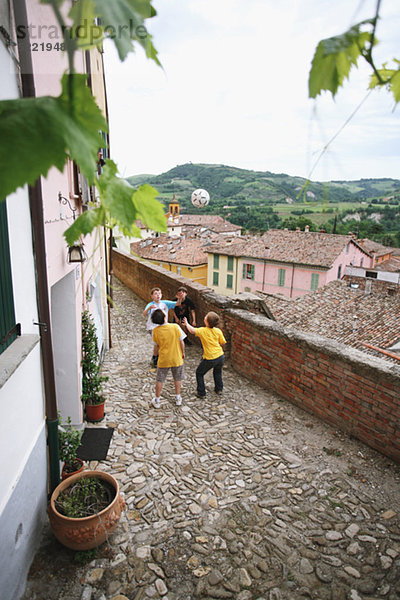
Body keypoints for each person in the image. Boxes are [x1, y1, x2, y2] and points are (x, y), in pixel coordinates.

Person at [183, 311, 226, 398]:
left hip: (210, 357)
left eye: (206, 317)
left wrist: (187, 323)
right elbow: (222, 342)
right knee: (218, 372)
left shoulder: (203, 331)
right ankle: (219, 389)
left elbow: (192, 330)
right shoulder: (218, 331)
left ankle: (201, 392)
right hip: (220, 356)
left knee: (199, 373)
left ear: (207, 321)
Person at [150, 309, 186, 408]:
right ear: (165, 316)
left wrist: (155, 357)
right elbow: (181, 342)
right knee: (177, 378)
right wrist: (183, 353)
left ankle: (157, 400)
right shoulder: (175, 327)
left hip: (164, 359)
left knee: (160, 379)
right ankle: (178, 398)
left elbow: (156, 346)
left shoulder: (155, 331)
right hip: (176, 358)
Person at [143, 287, 177, 367]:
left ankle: (159, 356)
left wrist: (181, 298)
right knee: (157, 343)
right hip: (153, 327)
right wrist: (149, 308)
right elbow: (144, 314)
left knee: (162, 342)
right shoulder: (150, 304)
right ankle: (155, 357)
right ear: (152, 296)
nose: (158, 295)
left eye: (159, 294)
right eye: (155, 294)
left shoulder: (165, 303)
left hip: (163, 326)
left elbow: (177, 304)